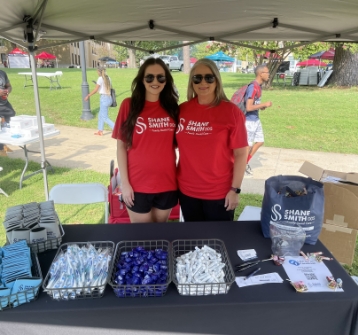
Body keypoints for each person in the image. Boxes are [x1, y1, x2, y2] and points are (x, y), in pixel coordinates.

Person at [176, 58, 248, 222]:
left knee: (218, 243)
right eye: (197, 78)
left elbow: (241, 154)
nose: (203, 82)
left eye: (209, 77)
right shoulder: (182, 110)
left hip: (219, 193)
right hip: (187, 191)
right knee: (193, 243)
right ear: (191, 82)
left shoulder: (231, 112)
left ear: (217, 80)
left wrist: (235, 190)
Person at [112, 58, 179, 223]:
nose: (155, 81)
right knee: (142, 238)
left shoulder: (173, 109)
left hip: (167, 184)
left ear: (166, 80)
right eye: (149, 77)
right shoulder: (129, 105)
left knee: (160, 234)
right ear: (142, 80)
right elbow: (121, 147)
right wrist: (125, 184)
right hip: (137, 186)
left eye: (160, 77)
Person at [244, 64, 272, 176]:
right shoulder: (253, 87)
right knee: (248, 145)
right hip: (249, 120)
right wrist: (264, 104)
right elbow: (248, 107)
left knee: (260, 141)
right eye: (267, 72)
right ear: (261, 74)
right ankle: (242, 166)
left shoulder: (258, 87)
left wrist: (261, 106)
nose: (269, 75)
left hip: (255, 119)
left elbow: (254, 104)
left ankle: (244, 163)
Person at [85, 67, 114, 136]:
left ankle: (117, 129)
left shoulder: (100, 79)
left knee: (104, 117)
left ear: (99, 71)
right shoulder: (108, 78)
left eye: (97, 72)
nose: (97, 73)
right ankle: (100, 131)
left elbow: (95, 90)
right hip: (109, 98)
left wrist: (88, 95)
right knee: (101, 115)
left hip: (104, 98)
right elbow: (105, 88)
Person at [0, 70, 16, 156]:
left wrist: (7, 90)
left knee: (11, 116)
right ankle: (1, 148)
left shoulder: (2, 73)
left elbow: (9, 86)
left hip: (4, 103)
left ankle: (3, 144)